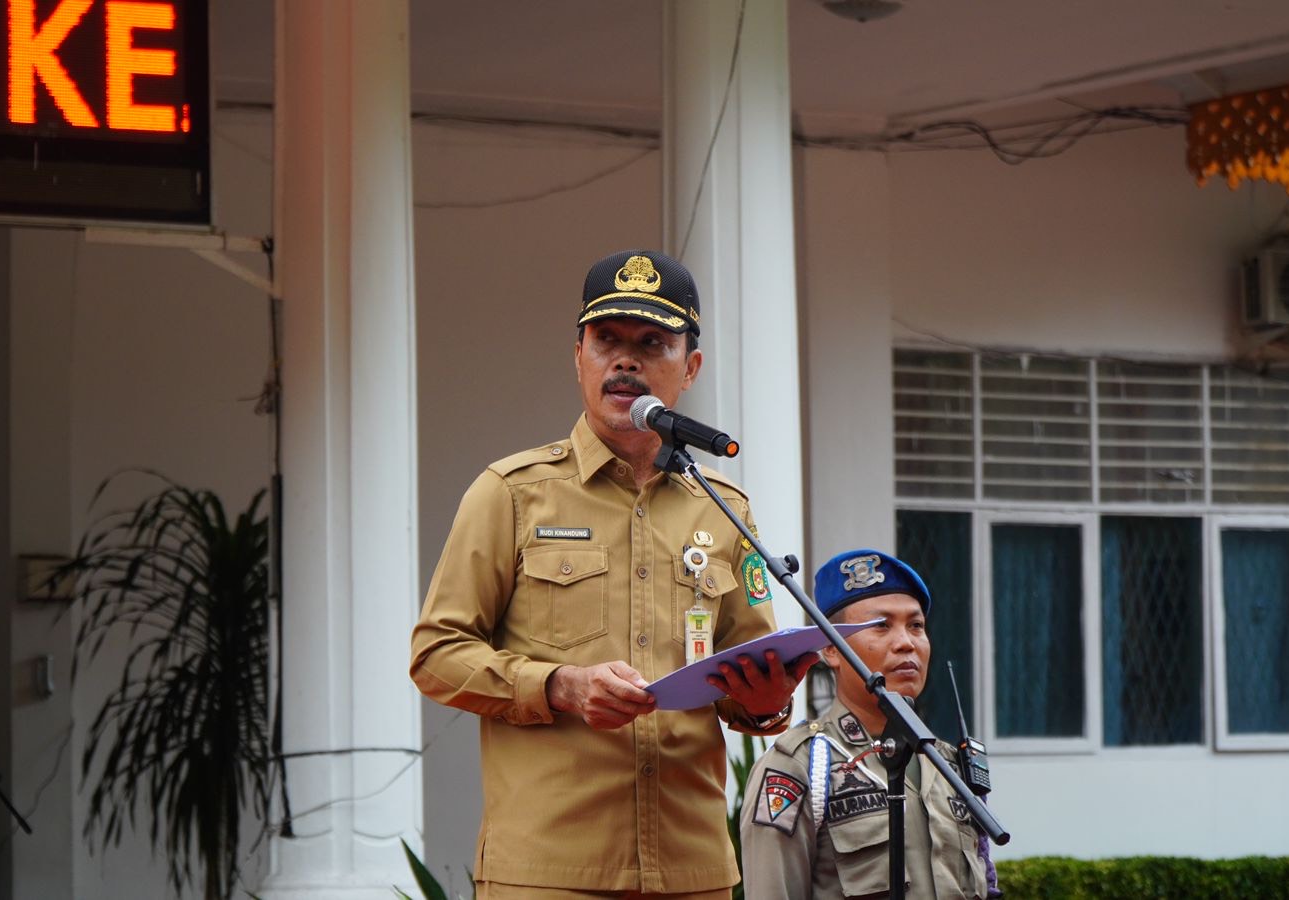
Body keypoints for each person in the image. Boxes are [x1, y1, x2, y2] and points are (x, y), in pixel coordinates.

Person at [410, 249, 816, 899]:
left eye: (651, 342)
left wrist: (767, 707)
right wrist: (560, 686)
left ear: (690, 368)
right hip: (550, 872)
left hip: (692, 871)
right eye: (606, 340)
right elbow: (435, 654)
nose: (624, 360)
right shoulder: (511, 494)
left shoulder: (724, 509)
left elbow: (748, 678)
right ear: (578, 357)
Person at [740, 550, 999, 900]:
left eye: (916, 625)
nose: (906, 642)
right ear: (831, 649)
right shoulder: (800, 767)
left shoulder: (949, 765)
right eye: (881, 625)